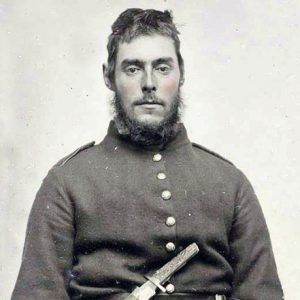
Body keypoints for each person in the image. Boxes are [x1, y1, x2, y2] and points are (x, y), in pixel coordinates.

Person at [12, 8, 284, 300]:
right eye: (133, 68)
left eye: (162, 67)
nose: (149, 83)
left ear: (182, 73)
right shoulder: (67, 183)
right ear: (108, 76)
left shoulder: (230, 183)